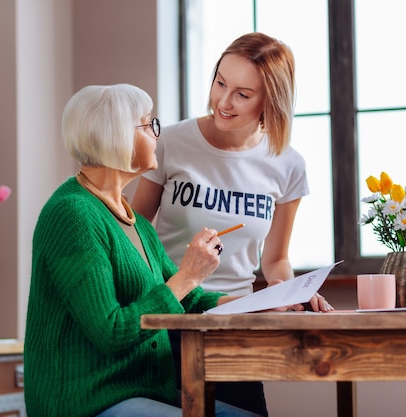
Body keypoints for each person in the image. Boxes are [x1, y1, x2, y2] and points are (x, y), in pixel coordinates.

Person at [24, 84, 263, 417]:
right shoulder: (72, 215)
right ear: (117, 135)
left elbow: (190, 299)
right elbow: (111, 331)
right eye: (149, 124)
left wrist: (268, 305)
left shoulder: (133, 221)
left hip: (143, 390)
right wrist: (188, 275)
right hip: (87, 401)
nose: (156, 135)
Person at [131, 32, 332, 416]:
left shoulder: (287, 164)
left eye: (242, 93)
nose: (223, 101)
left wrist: (289, 293)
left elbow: (275, 261)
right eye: (220, 82)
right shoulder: (171, 142)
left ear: (269, 100)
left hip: (237, 326)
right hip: (170, 320)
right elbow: (134, 235)